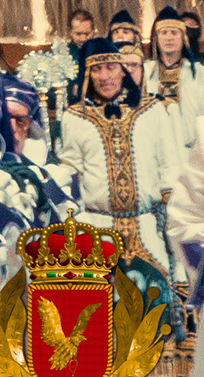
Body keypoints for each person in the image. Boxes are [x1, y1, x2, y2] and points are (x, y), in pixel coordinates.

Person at [57, 40, 182, 278]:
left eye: (111, 67)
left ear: (122, 69)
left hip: (147, 228)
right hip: (96, 231)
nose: (105, 76)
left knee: (155, 297)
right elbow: (71, 173)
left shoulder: (152, 110)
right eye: (96, 69)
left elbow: (169, 166)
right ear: (87, 74)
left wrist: (173, 223)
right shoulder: (74, 117)